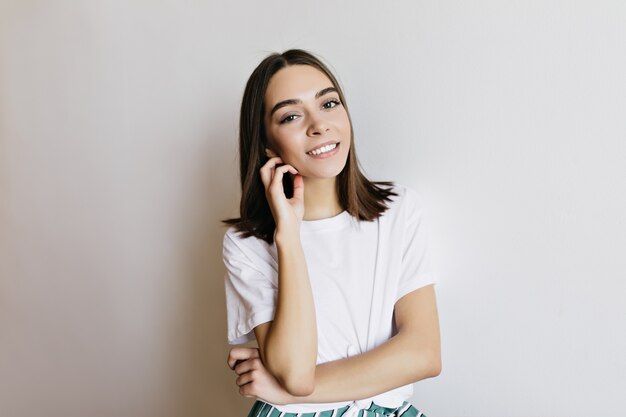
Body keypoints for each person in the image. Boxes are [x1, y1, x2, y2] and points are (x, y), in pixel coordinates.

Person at [222, 49, 441, 417]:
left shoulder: (399, 210)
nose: (318, 125)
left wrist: (289, 393)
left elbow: (423, 353)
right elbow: (295, 373)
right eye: (291, 115)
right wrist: (288, 235)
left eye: (329, 103)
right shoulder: (247, 245)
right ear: (267, 146)